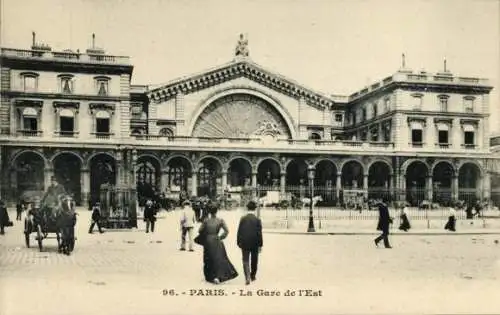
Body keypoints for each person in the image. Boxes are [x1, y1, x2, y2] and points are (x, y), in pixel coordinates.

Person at [197, 203, 238, 284]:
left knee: (208, 258)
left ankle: (209, 276)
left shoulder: (206, 220)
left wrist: (206, 234)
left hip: (208, 240)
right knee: (218, 258)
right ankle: (217, 276)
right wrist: (220, 237)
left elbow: (200, 230)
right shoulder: (220, 220)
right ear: (216, 211)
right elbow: (227, 231)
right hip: (216, 240)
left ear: (209, 211)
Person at [237, 200, 263, 285]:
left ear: (247, 208)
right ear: (255, 209)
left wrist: (239, 242)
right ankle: (253, 275)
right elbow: (259, 233)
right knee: (254, 259)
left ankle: (247, 277)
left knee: (245, 260)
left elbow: (239, 231)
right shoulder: (257, 220)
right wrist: (260, 245)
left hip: (245, 242)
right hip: (255, 242)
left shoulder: (243, 218)